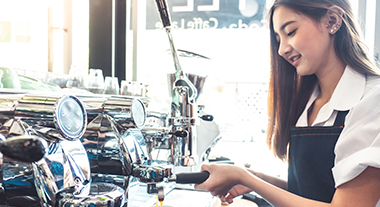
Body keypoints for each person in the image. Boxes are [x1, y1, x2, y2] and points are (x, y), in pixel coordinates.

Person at [194, 0, 380, 206]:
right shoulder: (310, 101)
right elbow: (312, 192)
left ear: (332, 20)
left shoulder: (373, 100)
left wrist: (244, 177)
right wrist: (255, 179)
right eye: (278, 39)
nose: (282, 49)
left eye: (290, 32)